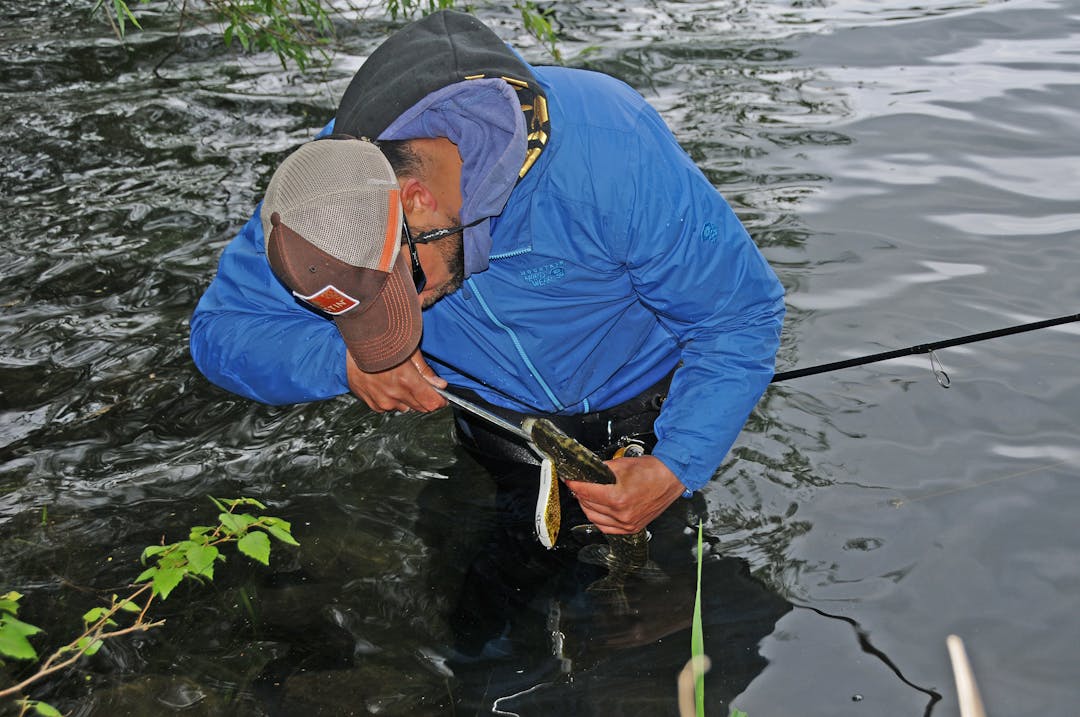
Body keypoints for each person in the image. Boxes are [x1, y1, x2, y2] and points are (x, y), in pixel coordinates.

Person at [190, 10, 785, 537]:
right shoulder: (322, 198)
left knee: (671, 633)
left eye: (404, 291)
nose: (408, 317)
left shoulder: (612, 150)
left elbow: (737, 318)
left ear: (418, 200)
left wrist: (676, 464)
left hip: (654, 414)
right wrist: (343, 360)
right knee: (492, 647)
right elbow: (222, 333)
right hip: (497, 429)